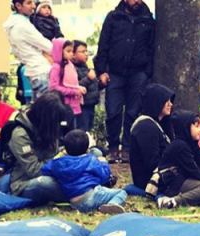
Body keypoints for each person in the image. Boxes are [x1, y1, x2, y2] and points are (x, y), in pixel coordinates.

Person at [94, 0, 155, 163]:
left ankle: (128, 148)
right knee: (113, 110)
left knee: (133, 111)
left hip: (138, 72)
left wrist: (147, 73)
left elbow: (152, 48)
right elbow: (103, 45)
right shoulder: (114, 18)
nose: (137, 1)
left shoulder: (148, 20)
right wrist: (101, 70)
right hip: (115, 72)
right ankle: (113, 147)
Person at [41, 130, 127, 214]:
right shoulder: (91, 160)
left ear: (65, 149)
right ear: (87, 149)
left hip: (74, 202)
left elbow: (44, 169)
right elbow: (104, 177)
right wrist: (104, 163)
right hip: (91, 196)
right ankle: (113, 204)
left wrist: (59, 156)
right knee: (122, 192)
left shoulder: (58, 163)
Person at [8, 91, 69, 203]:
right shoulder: (21, 134)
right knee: (47, 183)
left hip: (53, 169)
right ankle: (79, 194)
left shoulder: (47, 127)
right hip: (26, 182)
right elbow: (35, 170)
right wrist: (62, 159)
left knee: (95, 152)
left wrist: (72, 150)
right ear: (47, 119)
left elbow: (53, 153)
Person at [156, 110, 200, 209]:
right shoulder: (180, 145)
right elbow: (194, 172)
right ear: (185, 127)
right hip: (173, 184)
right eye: (196, 126)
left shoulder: (192, 143)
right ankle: (173, 201)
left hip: (185, 178)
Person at [4, 0, 54, 102]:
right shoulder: (22, 25)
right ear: (18, 5)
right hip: (42, 71)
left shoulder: (13, 23)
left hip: (33, 70)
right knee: (47, 112)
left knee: (39, 111)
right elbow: (48, 46)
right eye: (29, 3)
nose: (33, 6)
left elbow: (17, 53)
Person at [129, 83, 174, 190]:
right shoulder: (145, 126)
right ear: (156, 102)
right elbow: (152, 164)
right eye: (166, 101)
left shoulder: (158, 123)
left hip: (164, 174)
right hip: (150, 180)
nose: (170, 104)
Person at [49, 38, 86, 128]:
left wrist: (78, 88)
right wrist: (74, 91)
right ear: (59, 51)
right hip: (64, 106)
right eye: (68, 51)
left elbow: (71, 84)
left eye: (72, 51)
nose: (71, 54)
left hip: (73, 105)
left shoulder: (69, 65)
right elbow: (54, 87)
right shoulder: (56, 68)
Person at [73, 40, 100, 132]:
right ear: (73, 54)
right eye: (82, 51)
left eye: (86, 51)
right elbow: (75, 86)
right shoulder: (72, 68)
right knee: (82, 130)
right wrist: (88, 79)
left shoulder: (86, 66)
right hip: (82, 106)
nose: (86, 54)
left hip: (91, 103)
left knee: (88, 128)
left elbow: (93, 86)